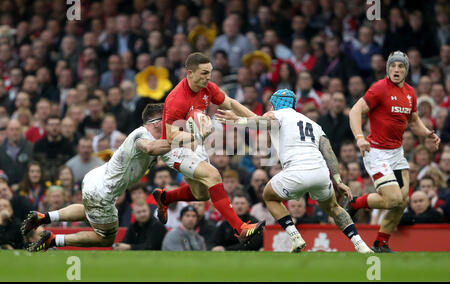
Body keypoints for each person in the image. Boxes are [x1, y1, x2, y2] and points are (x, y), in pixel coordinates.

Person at [216, 89, 372, 253]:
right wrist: (339, 181)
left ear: (273, 104)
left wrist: (238, 121)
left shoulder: (276, 115)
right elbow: (329, 152)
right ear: (294, 104)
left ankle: (295, 237)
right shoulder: (313, 124)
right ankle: (360, 245)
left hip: (296, 171)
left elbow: (263, 122)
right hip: (320, 172)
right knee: (334, 208)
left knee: (269, 196)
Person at [21, 104, 171, 252]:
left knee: (89, 212)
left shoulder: (153, 138)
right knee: (105, 238)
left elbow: (161, 151)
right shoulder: (142, 134)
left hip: (94, 179)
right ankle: (53, 240)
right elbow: (150, 148)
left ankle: (43, 217)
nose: (169, 124)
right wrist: (178, 141)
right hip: (104, 192)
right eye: (166, 120)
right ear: (157, 122)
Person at [152, 52, 265, 243]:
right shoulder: (177, 99)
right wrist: (197, 134)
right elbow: (171, 136)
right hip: (175, 148)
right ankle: (241, 228)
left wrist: (257, 120)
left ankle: (165, 198)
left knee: (202, 194)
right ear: (190, 73)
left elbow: (230, 103)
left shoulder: (207, 87)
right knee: (213, 176)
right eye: (204, 73)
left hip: (195, 144)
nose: (208, 77)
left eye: (210, 72)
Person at [346, 51, 440, 252]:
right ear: (388, 68)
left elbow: (413, 121)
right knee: (393, 199)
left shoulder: (410, 93)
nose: (396, 70)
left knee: (402, 201)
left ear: (406, 69)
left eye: (401, 66)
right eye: (393, 66)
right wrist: (360, 138)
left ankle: (381, 243)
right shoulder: (379, 88)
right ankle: (355, 203)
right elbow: (355, 110)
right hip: (377, 152)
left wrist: (428, 133)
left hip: (396, 153)